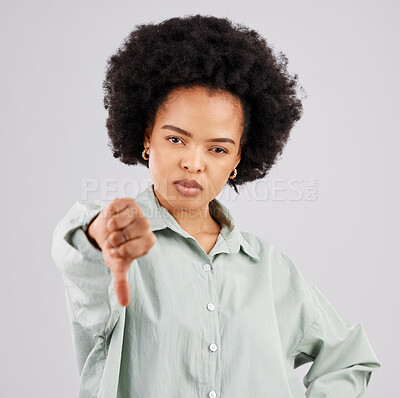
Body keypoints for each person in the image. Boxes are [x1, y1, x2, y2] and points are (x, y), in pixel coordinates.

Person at [51, 14, 381, 398]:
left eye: (218, 148)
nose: (194, 162)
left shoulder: (269, 269)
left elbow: (349, 357)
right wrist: (98, 234)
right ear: (147, 138)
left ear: (239, 158)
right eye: (176, 140)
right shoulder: (118, 248)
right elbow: (81, 251)